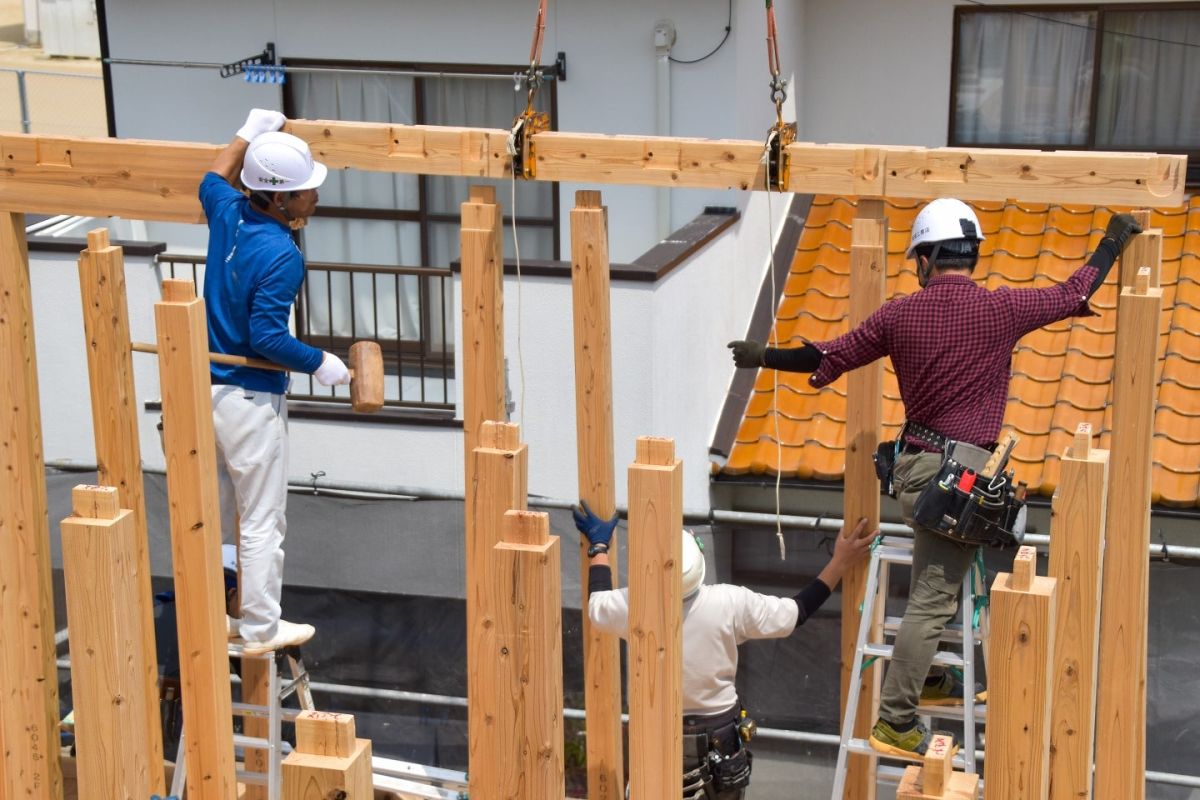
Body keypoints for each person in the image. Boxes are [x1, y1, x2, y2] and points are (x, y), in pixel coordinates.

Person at [726, 198, 1142, 758]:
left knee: (934, 581)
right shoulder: (1001, 310)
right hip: (963, 473)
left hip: (918, 469)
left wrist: (764, 357)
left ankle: (920, 679)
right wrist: (1113, 241)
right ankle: (896, 719)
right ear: (969, 255)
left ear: (926, 258)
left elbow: (831, 354)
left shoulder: (901, 315)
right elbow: (1074, 293)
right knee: (932, 596)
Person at [574, 502, 875, 799]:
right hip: (720, 738)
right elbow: (796, 612)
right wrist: (840, 562)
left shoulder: (636, 605)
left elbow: (597, 603)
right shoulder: (730, 602)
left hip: (658, 734)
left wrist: (599, 546)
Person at [200, 108, 350, 655]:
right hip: (249, 399)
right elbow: (266, 337)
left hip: (205, 393)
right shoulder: (283, 255)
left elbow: (211, 177)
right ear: (279, 198)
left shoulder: (230, 212)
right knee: (262, 518)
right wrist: (320, 362)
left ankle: (220, 609)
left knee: (216, 513)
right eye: (305, 191)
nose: (314, 197)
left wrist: (246, 131)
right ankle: (260, 627)